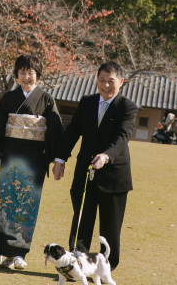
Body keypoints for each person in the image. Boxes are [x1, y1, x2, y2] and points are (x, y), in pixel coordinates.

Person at [53, 61, 137, 271]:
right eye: (102, 80)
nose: (106, 86)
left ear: (121, 82)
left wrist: (106, 156)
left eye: (111, 81)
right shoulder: (87, 102)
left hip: (114, 176)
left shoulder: (127, 107)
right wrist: (60, 159)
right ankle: (77, 263)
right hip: (85, 173)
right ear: (96, 80)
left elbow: (122, 137)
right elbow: (73, 131)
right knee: (82, 220)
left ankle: (105, 267)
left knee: (109, 228)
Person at [0, 54, 63, 270]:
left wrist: (58, 160)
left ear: (38, 74)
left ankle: (19, 253)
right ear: (16, 74)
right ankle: (3, 251)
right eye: (22, 72)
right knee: (8, 203)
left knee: (27, 205)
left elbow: (56, 131)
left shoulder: (47, 99)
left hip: (34, 161)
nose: (26, 76)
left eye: (30, 72)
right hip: (11, 158)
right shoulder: (9, 98)